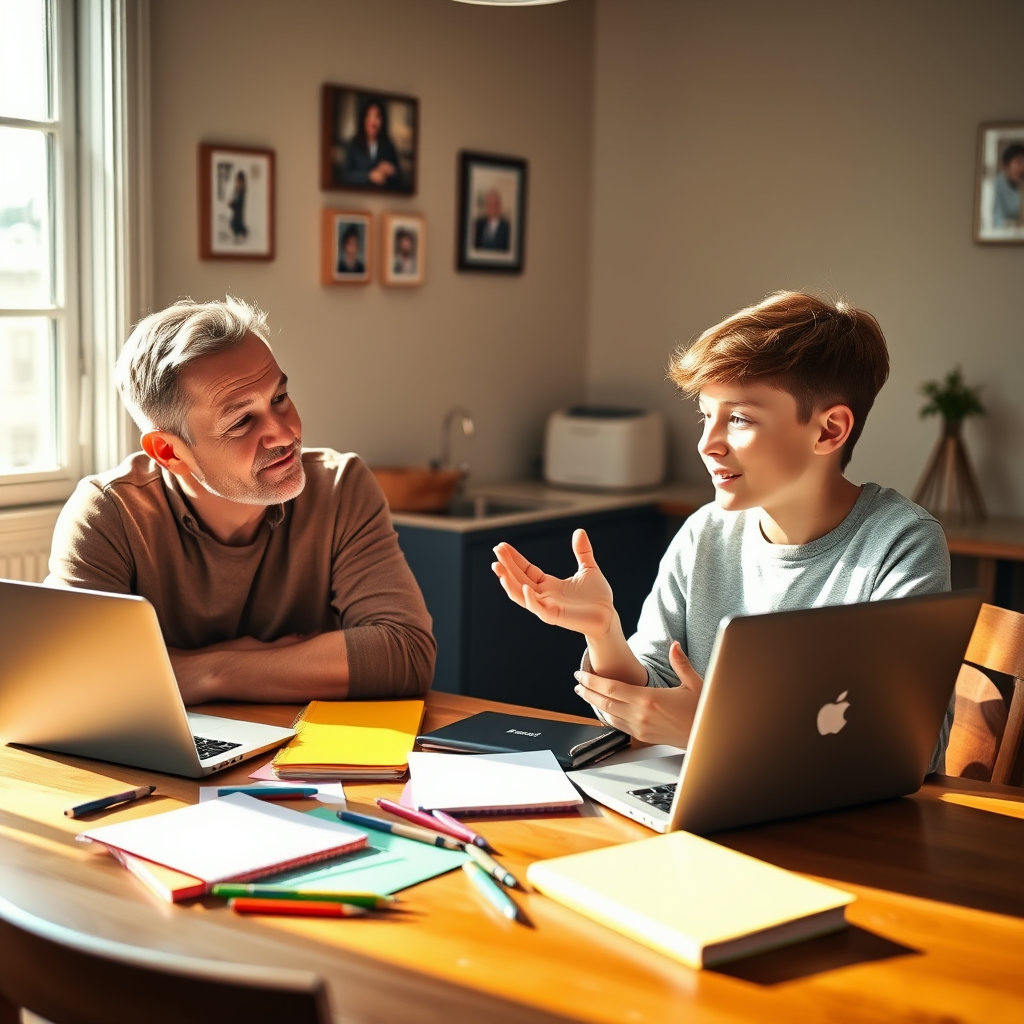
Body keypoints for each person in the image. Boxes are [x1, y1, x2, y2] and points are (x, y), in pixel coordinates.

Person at [491, 291, 953, 772]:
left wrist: (712, 731)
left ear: (829, 431)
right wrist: (603, 632)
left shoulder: (901, 544)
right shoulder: (705, 533)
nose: (707, 444)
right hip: (709, 801)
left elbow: (912, 750)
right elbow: (649, 704)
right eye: (705, 416)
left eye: (738, 418)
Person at [45, 296, 435, 705]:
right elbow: (74, 678)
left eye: (279, 398)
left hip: (302, 752)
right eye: (242, 421)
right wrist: (282, 659)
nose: (284, 434)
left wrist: (211, 672)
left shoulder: (341, 487)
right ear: (168, 452)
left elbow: (405, 652)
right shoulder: (108, 513)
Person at [341, 95, 403, 190]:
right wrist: (369, 176)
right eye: (369, 115)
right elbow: (345, 176)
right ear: (363, 119)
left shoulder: (388, 146)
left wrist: (391, 170)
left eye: (377, 116)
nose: (373, 121)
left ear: (382, 120)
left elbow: (401, 180)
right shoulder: (353, 144)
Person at [992, 141, 1024, 229]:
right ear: (1006, 165)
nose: (1022, 167)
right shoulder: (995, 185)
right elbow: (996, 219)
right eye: (1019, 162)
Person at [227, 169, 247, 242]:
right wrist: (231, 203)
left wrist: (231, 204)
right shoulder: (236, 190)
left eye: (239, 181)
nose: (238, 182)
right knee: (233, 225)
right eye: (237, 180)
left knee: (236, 225)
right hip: (236, 213)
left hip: (238, 214)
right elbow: (235, 201)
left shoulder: (242, 192)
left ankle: (242, 235)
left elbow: (239, 204)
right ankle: (239, 236)